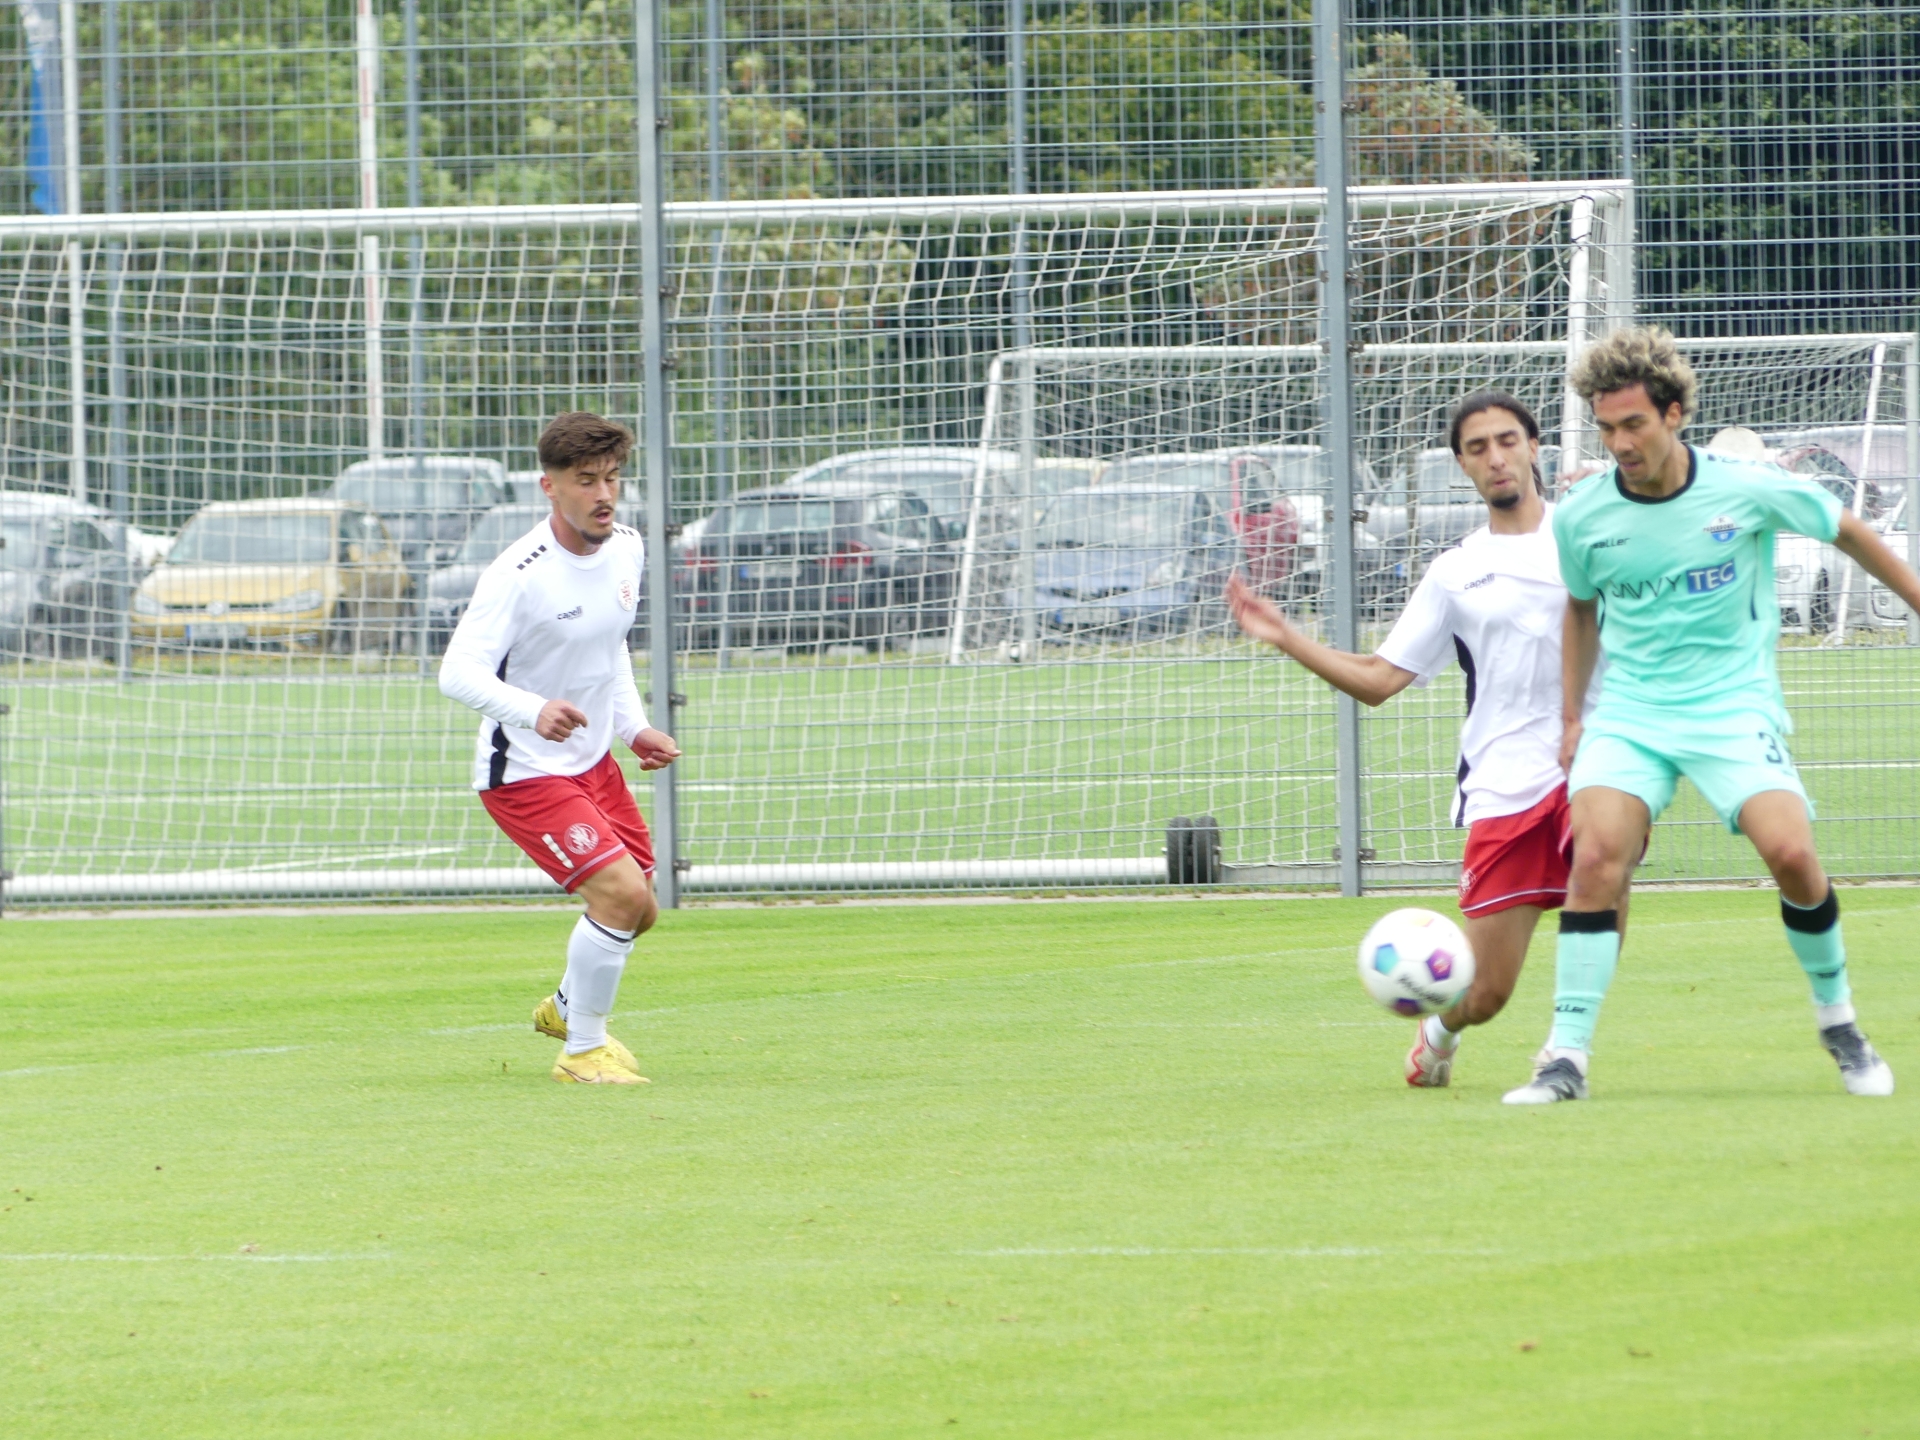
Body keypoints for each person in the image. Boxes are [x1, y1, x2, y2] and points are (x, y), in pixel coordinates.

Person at [1504, 326, 1920, 1104]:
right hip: (1632, 712)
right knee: (1595, 860)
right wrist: (1572, 720)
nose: (1620, 443)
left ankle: (1840, 1024)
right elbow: (1581, 609)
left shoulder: (1746, 487)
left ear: (1673, 415)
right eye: (1606, 428)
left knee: (1791, 854)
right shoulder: (1582, 514)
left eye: (1634, 424)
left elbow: (1849, 531)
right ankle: (1565, 1058)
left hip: (1732, 705)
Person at [1228, 391, 1612, 1088]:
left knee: (1602, 867)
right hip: (1505, 783)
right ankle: (1438, 1033)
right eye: (1478, 448)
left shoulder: (1592, 533)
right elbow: (1379, 679)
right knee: (1485, 994)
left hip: (1599, 761)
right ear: (1463, 465)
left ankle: (1566, 1050)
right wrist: (1287, 637)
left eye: (1508, 440)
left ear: (1535, 447)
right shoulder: (1455, 571)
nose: (1496, 457)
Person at [439, 412, 681, 1086]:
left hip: (592, 762)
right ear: (550, 487)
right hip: (524, 771)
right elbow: (456, 673)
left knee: (640, 908)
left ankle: (567, 1008)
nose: (604, 495)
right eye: (586, 481)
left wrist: (633, 729)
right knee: (619, 896)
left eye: (612, 478)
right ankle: (582, 1053)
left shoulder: (627, 547)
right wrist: (532, 709)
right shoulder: (518, 574)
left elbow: (609, 648)